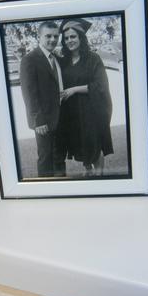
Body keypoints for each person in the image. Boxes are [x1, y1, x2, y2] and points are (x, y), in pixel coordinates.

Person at [58, 18, 113, 177]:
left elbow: (100, 85)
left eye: (73, 36)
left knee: (94, 144)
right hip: (73, 112)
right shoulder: (64, 61)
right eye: (66, 38)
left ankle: (99, 177)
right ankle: (88, 172)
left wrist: (75, 89)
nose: (70, 40)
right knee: (79, 144)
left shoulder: (93, 58)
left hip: (91, 110)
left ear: (81, 37)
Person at [19, 21, 66, 178]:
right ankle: (46, 188)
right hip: (43, 121)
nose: (53, 39)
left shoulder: (56, 58)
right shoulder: (30, 59)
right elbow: (29, 93)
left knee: (59, 156)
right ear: (39, 36)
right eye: (48, 36)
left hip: (60, 117)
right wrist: (38, 121)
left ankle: (62, 186)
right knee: (46, 158)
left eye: (56, 36)